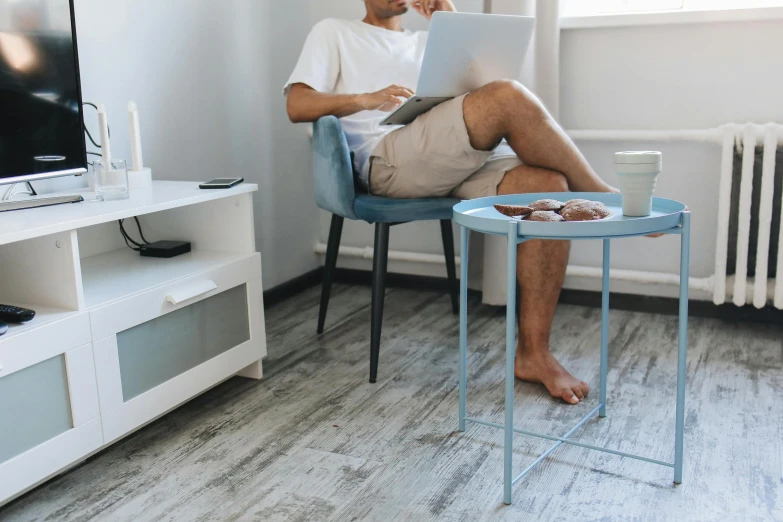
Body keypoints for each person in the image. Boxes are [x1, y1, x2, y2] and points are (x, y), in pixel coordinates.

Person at [284, 0, 618, 404]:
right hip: (387, 160)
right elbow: (297, 105)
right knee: (509, 96)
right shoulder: (333, 32)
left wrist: (449, 14)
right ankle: (603, 198)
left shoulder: (428, 41)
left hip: (452, 158)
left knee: (547, 186)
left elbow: (487, 97)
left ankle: (534, 353)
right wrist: (366, 99)